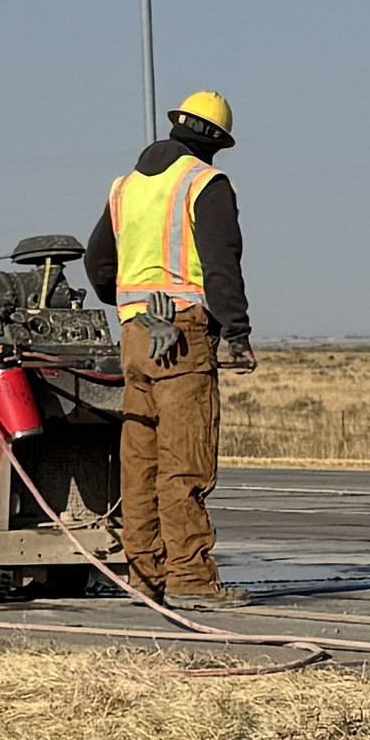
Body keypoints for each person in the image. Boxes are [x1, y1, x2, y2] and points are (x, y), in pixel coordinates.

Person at [89, 90, 250, 604]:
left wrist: (131, 305)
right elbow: (222, 265)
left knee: (142, 461)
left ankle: (146, 576)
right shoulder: (204, 183)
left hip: (135, 337)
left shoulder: (125, 187)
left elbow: (98, 263)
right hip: (183, 338)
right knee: (186, 460)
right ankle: (191, 579)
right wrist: (238, 332)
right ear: (217, 142)